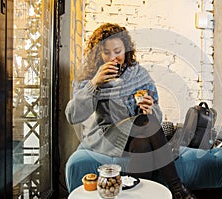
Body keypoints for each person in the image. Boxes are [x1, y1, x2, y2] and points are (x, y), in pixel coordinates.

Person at [65, 23, 197, 199]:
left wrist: (150, 109)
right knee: (146, 125)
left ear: (126, 50)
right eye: (106, 52)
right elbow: (72, 116)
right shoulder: (89, 77)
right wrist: (94, 83)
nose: (113, 57)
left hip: (138, 133)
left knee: (143, 139)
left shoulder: (139, 74)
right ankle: (178, 189)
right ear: (98, 54)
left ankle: (139, 195)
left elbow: (156, 116)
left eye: (118, 51)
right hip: (106, 136)